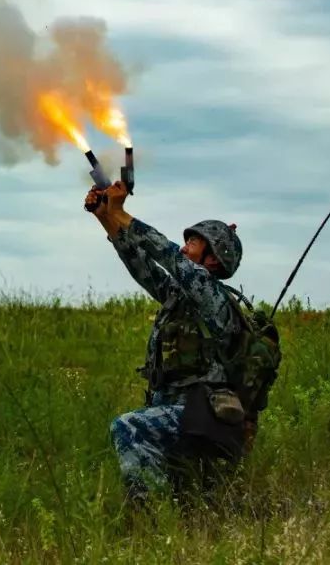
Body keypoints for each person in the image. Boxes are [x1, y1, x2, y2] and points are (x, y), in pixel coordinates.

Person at [85, 181, 248, 500]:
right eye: (185, 241)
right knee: (189, 493)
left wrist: (122, 213)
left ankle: (150, 516)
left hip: (200, 414)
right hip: (172, 407)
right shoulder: (179, 294)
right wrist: (105, 216)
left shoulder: (211, 296)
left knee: (129, 427)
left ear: (212, 260)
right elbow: (140, 264)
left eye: (193, 242)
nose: (185, 247)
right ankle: (173, 510)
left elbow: (166, 253)